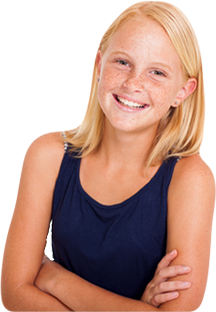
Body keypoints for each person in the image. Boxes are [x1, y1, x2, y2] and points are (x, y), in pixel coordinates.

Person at [1, 0, 215, 311]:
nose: (133, 83)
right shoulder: (48, 156)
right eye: (122, 62)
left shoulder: (189, 178)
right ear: (99, 65)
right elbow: (14, 293)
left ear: (183, 91)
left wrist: (54, 279)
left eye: (157, 72)